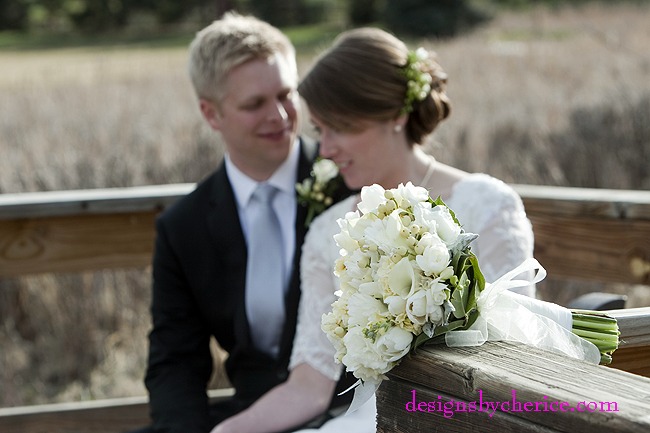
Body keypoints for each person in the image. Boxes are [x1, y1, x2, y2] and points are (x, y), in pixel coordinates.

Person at [210, 27, 535, 433]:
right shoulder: (331, 230)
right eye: (319, 131)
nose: (325, 150)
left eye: (341, 128)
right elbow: (309, 386)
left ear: (397, 114)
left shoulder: (488, 206)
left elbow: (517, 355)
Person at [137, 12, 354, 433]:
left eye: (286, 94)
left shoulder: (349, 184)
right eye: (254, 104)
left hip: (350, 413)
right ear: (211, 114)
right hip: (248, 417)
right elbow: (176, 361)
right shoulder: (184, 227)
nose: (279, 115)